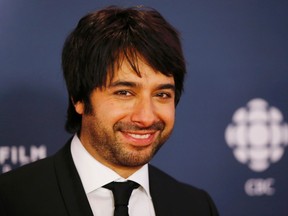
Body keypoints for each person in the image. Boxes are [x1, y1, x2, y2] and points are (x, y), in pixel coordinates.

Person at [0, 5, 219, 216]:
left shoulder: (195, 206)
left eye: (161, 95)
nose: (146, 117)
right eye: (124, 93)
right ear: (79, 98)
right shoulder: (11, 200)